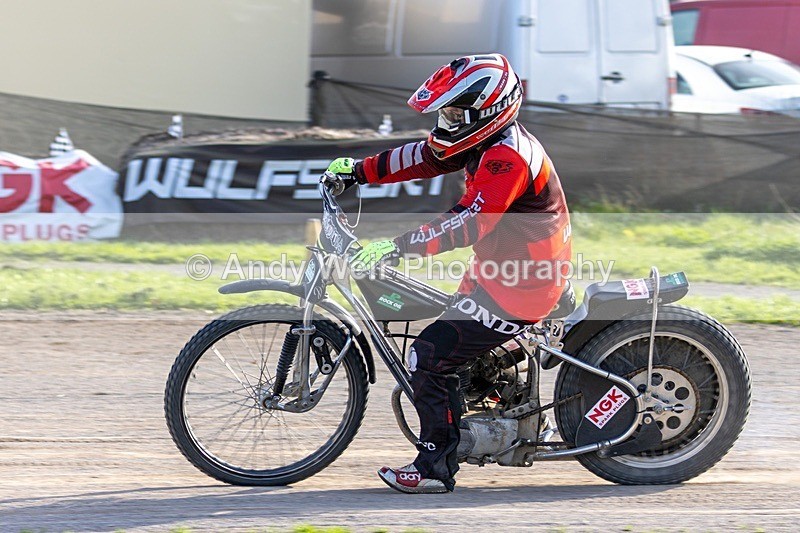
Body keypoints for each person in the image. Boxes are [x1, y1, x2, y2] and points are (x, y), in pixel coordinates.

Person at [324, 53, 572, 494]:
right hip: (497, 272)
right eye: (447, 111)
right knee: (454, 349)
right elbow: (424, 157)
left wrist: (397, 246)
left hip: (522, 286)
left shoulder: (507, 158)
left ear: (491, 109)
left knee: (427, 356)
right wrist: (358, 171)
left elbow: (470, 221)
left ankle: (435, 467)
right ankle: (490, 408)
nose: (447, 121)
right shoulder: (483, 140)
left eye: (456, 113)